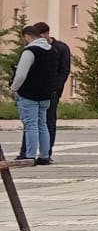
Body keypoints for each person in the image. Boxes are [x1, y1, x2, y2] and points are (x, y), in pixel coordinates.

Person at [10, 23, 58, 165]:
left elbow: (21, 74)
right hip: (46, 93)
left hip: (29, 93)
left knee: (31, 125)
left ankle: (29, 156)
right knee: (42, 124)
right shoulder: (52, 50)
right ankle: (44, 155)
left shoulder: (30, 51)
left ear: (27, 36)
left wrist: (14, 88)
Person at [40, 23, 71, 162]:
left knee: (49, 120)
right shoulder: (36, 48)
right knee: (33, 122)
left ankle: (47, 152)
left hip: (52, 91)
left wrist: (55, 88)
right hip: (37, 90)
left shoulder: (61, 48)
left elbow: (64, 70)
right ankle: (29, 152)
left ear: (46, 33)